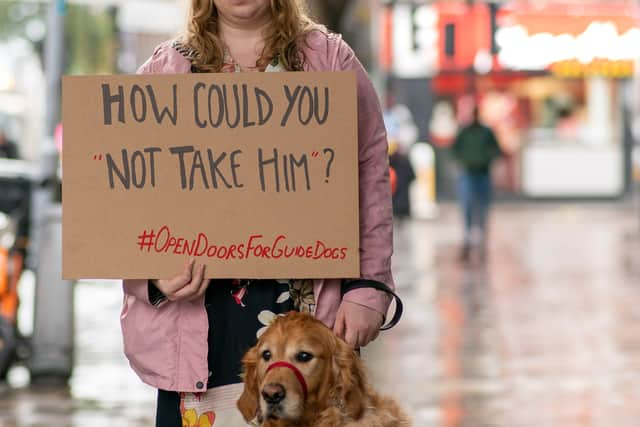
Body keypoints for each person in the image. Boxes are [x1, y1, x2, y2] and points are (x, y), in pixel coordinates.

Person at [119, 1, 396, 426]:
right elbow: (128, 198)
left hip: (306, 313)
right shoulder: (165, 70)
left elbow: (369, 172)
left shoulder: (330, 61)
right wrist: (153, 275)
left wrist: (368, 288)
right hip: (200, 325)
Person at [451, 106, 502, 261]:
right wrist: (462, 161)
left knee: (482, 206)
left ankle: (481, 236)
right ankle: (468, 236)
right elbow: (455, 150)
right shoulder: (464, 132)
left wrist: (487, 158)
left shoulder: (486, 132)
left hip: (483, 173)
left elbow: (496, 149)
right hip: (468, 173)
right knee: (467, 205)